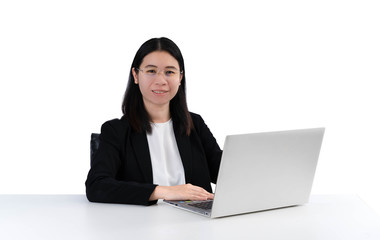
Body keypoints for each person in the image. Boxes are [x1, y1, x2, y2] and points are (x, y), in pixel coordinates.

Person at [85, 37, 222, 206]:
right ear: (135, 75)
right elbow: (96, 186)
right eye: (151, 71)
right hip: (140, 226)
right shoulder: (116, 131)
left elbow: (225, 174)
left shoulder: (195, 124)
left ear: (180, 77)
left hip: (196, 224)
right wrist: (164, 191)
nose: (161, 81)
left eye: (169, 72)